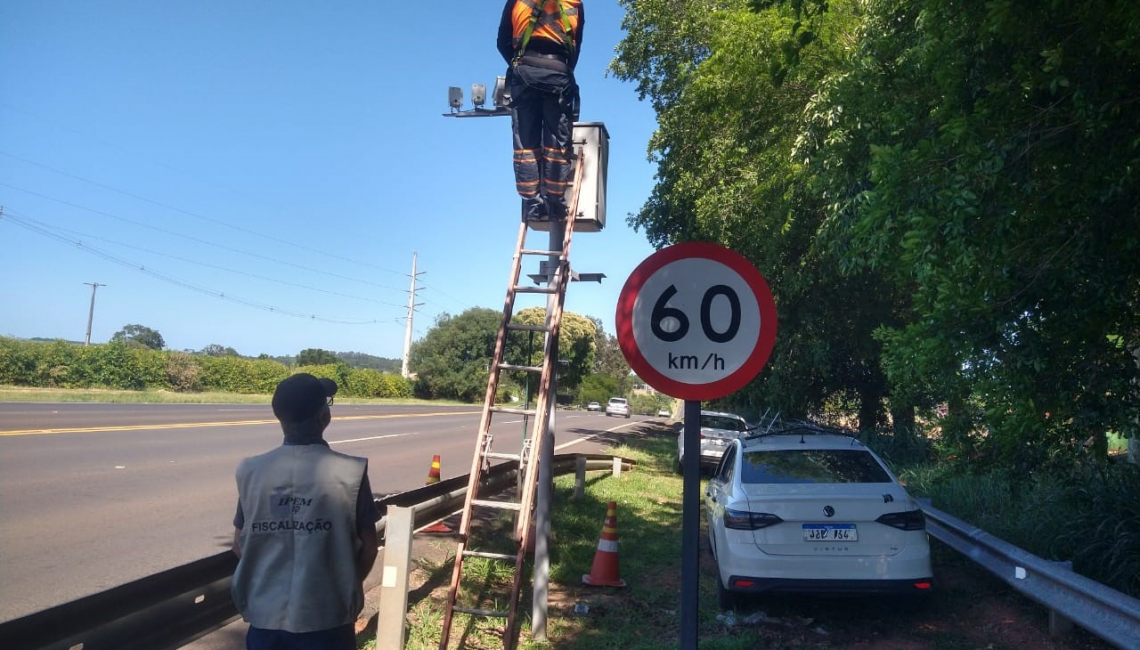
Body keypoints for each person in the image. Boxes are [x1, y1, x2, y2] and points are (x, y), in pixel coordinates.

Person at [231, 373, 379, 650]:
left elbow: (239, 544)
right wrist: (344, 581)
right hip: (327, 620)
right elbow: (369, 547)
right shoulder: (351, 472)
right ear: (324, 415)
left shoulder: (251, 471)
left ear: (280, 417)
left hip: (264, 619)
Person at [497, 0, 585, 221]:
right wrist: (561, 70)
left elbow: (501, 42)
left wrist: (520, 66)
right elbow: (575, 47)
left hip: (524, 74)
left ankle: (533, 205)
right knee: (557, 144)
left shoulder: (516, 2)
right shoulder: (575, 3)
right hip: (558, 75)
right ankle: (555, 204)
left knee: (525, 145)